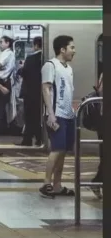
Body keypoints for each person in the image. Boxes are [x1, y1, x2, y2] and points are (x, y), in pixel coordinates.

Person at [40, 35, 77, 198]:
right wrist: (51, 114)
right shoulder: (50, 65)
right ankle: (46, 183)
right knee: (56, 149)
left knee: (63, 151)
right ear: (62, 49)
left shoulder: (68, 68)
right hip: (56, 115)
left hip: (68, 114)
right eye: (72, 47)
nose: (74, 51)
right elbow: (46, 89)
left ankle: (57, 185)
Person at [18, 36, 45, 147]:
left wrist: (21, 68)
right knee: (38, 116)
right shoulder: (45, 58)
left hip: (30, 92)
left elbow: (24, 72)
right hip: (41, 92)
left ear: (36, 45)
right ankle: (39, 139)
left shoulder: (30, 58)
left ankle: (27, 140)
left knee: (29, 117)